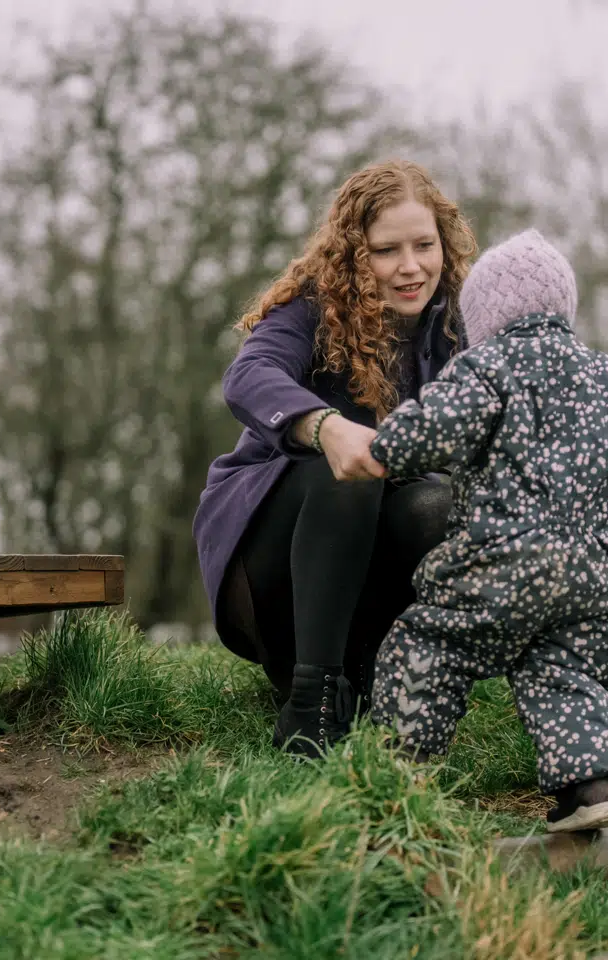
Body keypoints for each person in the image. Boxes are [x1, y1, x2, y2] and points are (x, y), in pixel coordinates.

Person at [365, 227, 608, 832]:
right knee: (566, 672)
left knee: (431, 644)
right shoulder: (607, 375)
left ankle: (396, 772)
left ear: (486, 317)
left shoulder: (487, 368)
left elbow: (434, 427)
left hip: (497, 564)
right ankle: (589, 790)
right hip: (586, 575)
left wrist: (385, 443)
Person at [192, 159, 478, 758]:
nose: (410, 266)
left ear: (444, 244)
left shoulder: (457, 327)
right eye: (386, 250)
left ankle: (387, 677)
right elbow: (248, 375)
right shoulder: (312, 309)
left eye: (424, 245)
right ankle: (310, 704)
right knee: (350, 472)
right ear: (354, 254)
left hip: (366, 567)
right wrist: (324, 427)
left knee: (437, 505)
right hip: (269, 576)